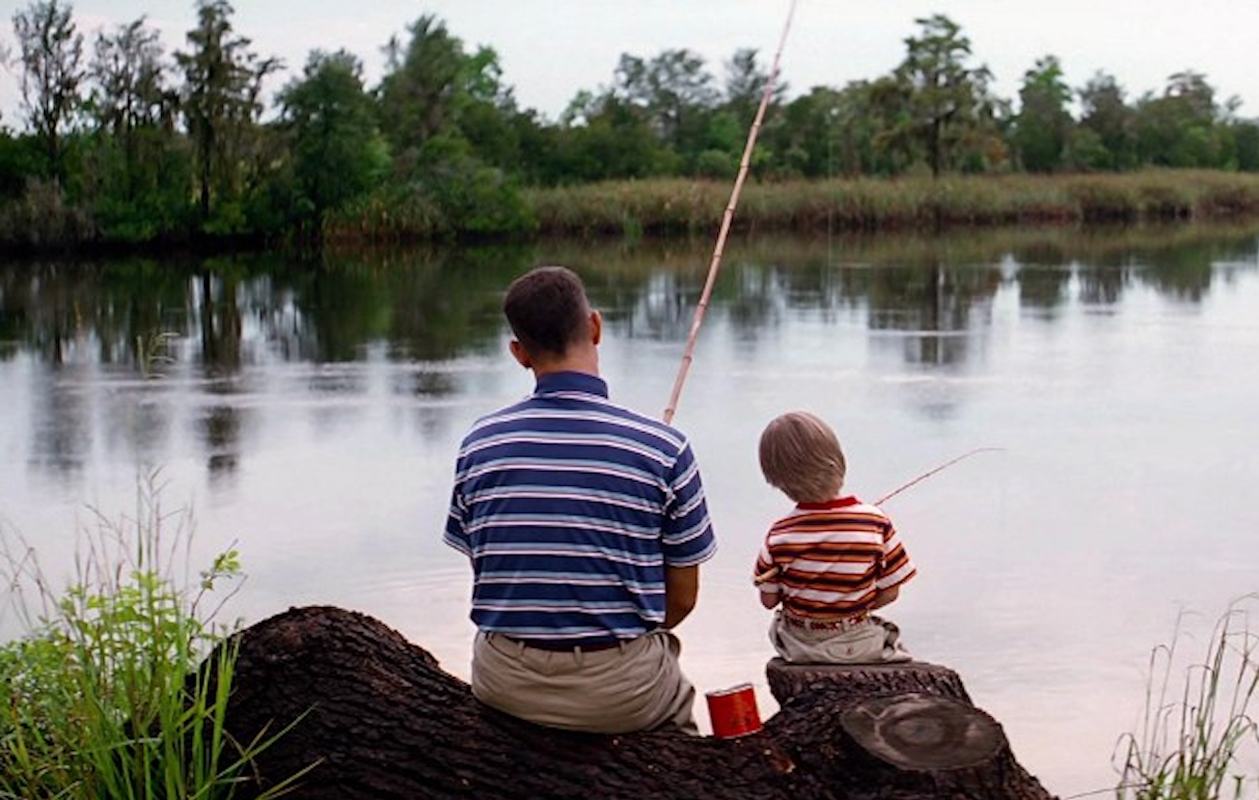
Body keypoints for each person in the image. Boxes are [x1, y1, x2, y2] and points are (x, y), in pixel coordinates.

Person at [444, 265, 717, 734]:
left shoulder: (479, 444)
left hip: (504, 683)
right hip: (620, 692)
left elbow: (492, 572)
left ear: (519, 354)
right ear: (594, 327)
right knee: (679, 705)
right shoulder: (664, 448)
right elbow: (683, 600)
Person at [752, 411, 915, 664]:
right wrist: (853, 608)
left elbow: (768, 600)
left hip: (797, 645)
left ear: (775, 479)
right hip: (859, 640)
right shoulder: (875, 522)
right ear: (838, 461)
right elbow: (891, 592)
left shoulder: (778, 534)